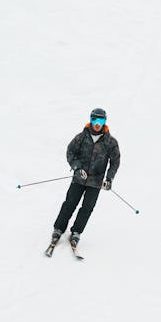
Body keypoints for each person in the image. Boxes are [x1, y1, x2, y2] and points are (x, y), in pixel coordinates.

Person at [47, 107, 120, 252]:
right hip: (79, 179)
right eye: (94, 120)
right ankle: (58, 229)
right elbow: (70, 152)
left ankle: (76, 232)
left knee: (87, 208)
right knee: (69, 203)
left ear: (105, 122)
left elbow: (115, 161)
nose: (97, 123)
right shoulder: (81, 137)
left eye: (100, 120)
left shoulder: (110, 142)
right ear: (90, 120)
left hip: (96, 182)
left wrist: (109, 178)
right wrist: (77, 168)